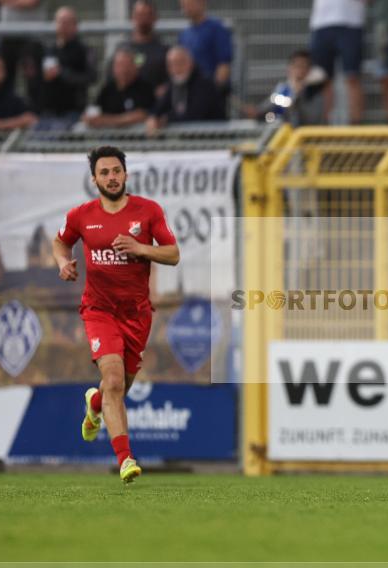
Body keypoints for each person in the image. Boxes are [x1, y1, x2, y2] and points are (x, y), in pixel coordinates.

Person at [53, 146, 180, 483]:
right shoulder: (81, 215)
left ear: (126, 174)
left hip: (137, 314)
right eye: (104, 173)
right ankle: (126, 460)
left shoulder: (148, 212)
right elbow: (60, 242)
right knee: (112, 380)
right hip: (99, 310)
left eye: (116, 171)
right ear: (94, 179)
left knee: (116, 389)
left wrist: (140, 248)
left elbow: (173, 254)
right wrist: (63, 263)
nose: (111, 177)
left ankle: (95, 406)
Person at [31, 6, 96, 125]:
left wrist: (62, 73)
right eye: (60, 22)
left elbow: (90, 77)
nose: (63, 26)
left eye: (67, 22)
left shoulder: (84, 50)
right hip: (48, 112)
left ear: (75, 25)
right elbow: (36, 81)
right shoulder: (48, 50)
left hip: (73, 112)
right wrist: (45, 77)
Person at [309, 0, 366, 124]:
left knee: (352, 77)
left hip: (351, 24)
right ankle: (323, 127)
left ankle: (357, 128)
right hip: (321, 24)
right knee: (321, 79)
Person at [147, 46, 225, 132]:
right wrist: (153, 117)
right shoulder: (174, 84)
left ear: (190, 62)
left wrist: (165, 119)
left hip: (212, 138)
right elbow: (159, 107)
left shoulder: (204, 85)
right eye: (171, 65)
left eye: (179, 63)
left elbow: (194, 115)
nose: (175, 69)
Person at [244, 49, 326, 126]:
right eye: (297, 66)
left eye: (304, 67)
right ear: (289, 68)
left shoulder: (314, 91)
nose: (300, 71)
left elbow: (312, 119)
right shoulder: (282, 88)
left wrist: (298, 95)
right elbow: (268, 107)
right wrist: (256, 112)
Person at [84, 48, 155, 129]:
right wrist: (89, 117)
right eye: (119, 65)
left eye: (126, 65)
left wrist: (106, 120)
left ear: (135, 67)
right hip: (106, 137)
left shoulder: (145, 87)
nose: (123, 70)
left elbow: (142, 114)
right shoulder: (108, 88)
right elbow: (92, 112)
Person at [178, 0, 233, 95]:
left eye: (189, 4)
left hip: (210, 92)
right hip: (191, 92)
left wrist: (216, 90)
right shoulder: (185, 34)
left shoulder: (216, 29)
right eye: (183, 5)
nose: (186, 8)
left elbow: (224, 64)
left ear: (202, 3)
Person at [126, 0, 170, 97]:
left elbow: (173, 80)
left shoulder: (165, 51)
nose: (143, 19)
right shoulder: (123, 50)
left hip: (155, 106)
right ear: (132, 17)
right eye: (139, 15)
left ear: (155, 18)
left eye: (147, 15)